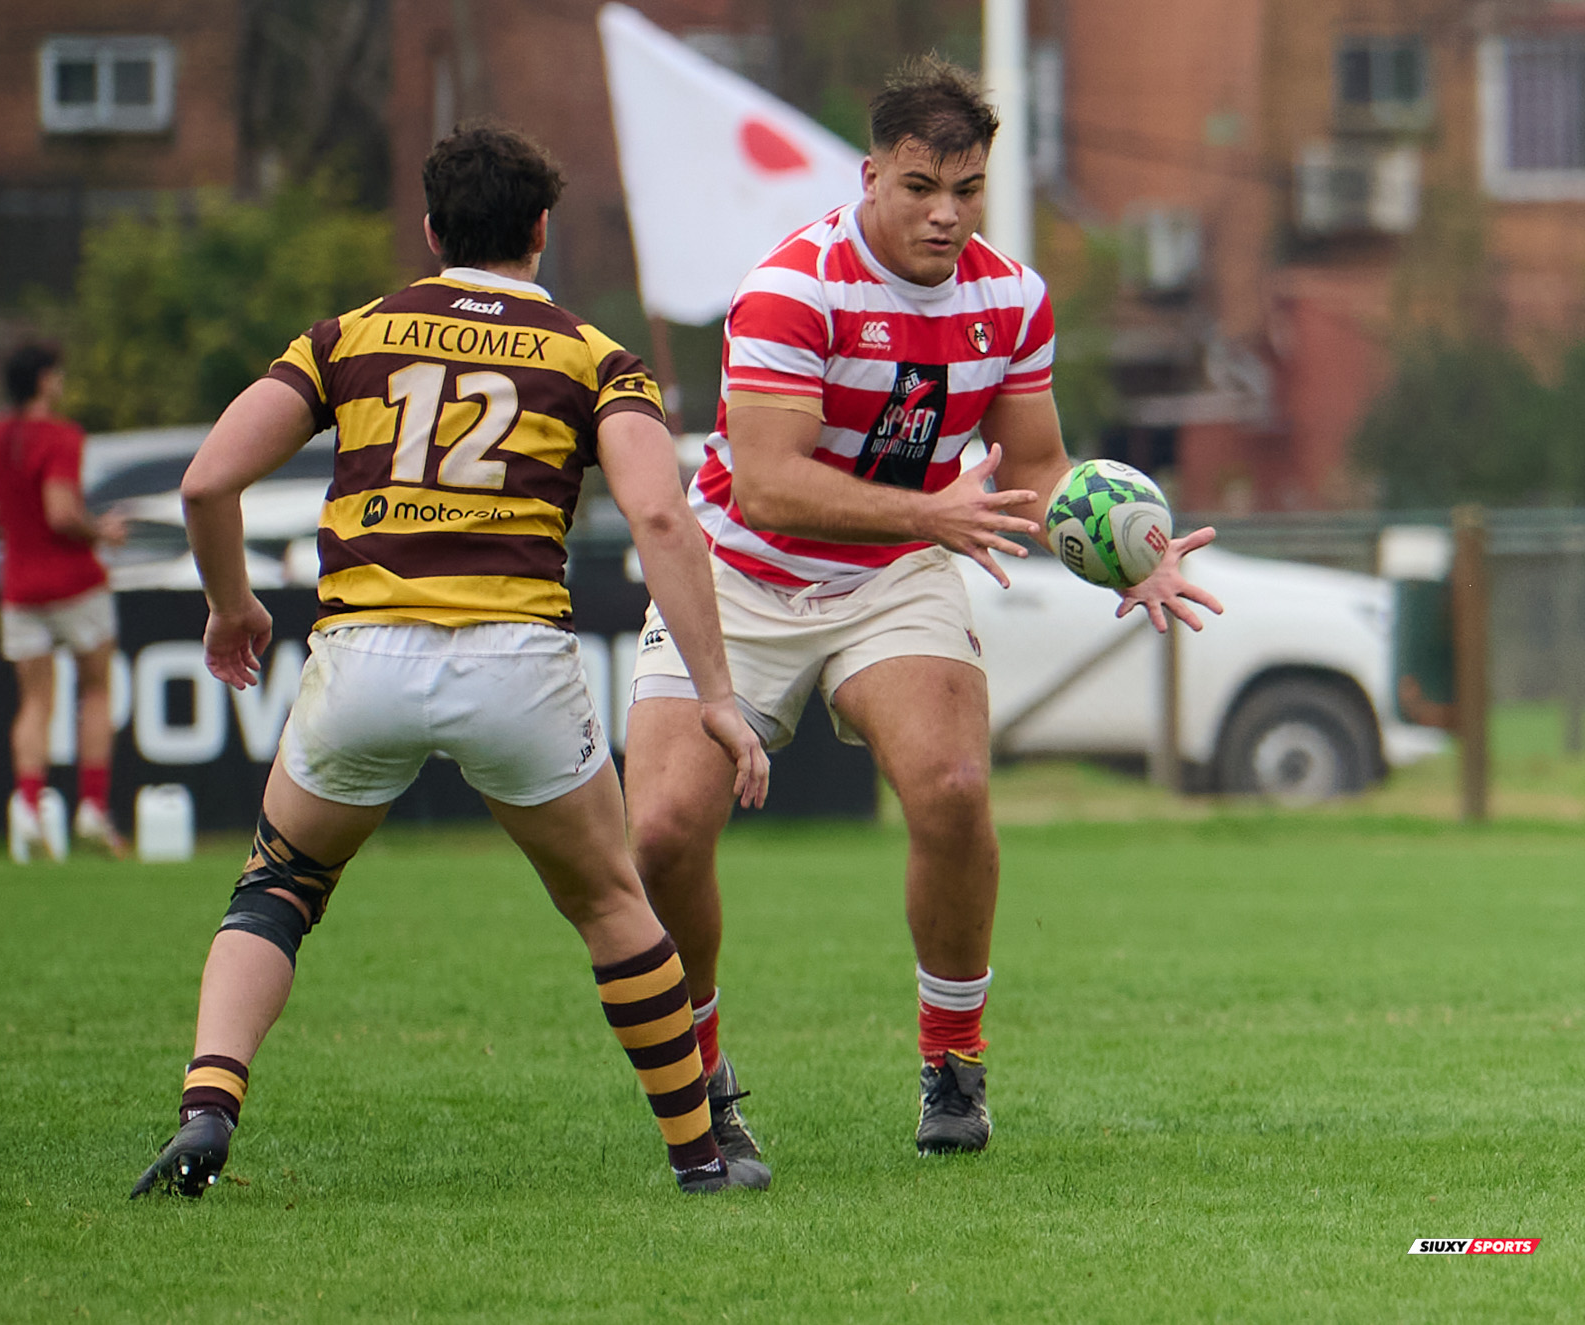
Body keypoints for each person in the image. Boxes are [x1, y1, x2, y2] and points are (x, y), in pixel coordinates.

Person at [131, 126, 772, 1200]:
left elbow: (206, 482)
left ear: (431, 232)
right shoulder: (595, 356)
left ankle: (207, 1107)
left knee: (279, 886)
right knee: (613, 903)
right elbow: (661, 512)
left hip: (361, 656)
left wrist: (232, 603)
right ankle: (701, 1156)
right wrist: (717, 696)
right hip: (514, 660)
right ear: (542, 230)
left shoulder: (348, 336)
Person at [622, 59, 1223, 1157]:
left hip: (894, 570)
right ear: (870, 176)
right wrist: (930, 515)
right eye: (919, 188)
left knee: (950, 789)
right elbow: (765, 482)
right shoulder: (790, 287)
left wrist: (1124, 554)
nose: (946, 214)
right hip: (739, 574)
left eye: (967, 188)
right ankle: (702, 1069)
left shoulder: (1013, 296)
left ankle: (953, 1060)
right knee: (661, 831)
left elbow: (1035, 465)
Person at [0, 343, 128, 862]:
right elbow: (60, 512)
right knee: (96, 691)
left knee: (35, 703)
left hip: (19, 586)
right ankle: (92, 807)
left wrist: (15, 522)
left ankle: (30, 808)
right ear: (42, 380)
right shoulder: (60, 436)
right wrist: (99, 529)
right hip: (75, 582)